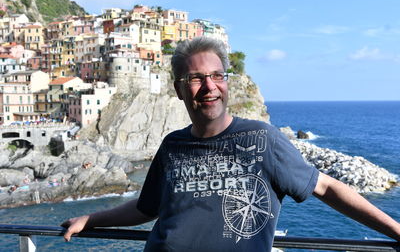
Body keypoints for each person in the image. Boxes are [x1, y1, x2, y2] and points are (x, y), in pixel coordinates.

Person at [61, 37, 400, 251]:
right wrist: (91, 220)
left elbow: (325, 188)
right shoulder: (171, 146)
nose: (209, 87)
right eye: (196, 78)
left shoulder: (262, 138)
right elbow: (145, 208)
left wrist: (396, 231)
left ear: (227, 83)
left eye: (217, 76)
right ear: (180, 90)